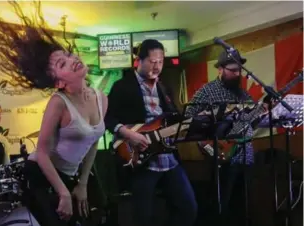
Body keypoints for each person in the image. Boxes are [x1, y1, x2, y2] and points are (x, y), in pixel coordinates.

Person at [0, 2, 108, 226]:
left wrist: (83, 183)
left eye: (69, 55)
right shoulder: (58, 103)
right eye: (63, 63)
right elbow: (41, 153)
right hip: (41, 177)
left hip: (71, 176)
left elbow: (93, 141)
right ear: (59, 82)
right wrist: (64, 193)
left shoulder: (101, 98)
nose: (73, 59)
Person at [105, 39, 197, 226]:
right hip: (140, 160)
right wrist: (129, 134)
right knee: (143, 217)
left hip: (168, 158)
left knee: (188, 209)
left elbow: (173, 119)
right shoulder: (122, 86)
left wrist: (195, 120)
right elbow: (107, 119)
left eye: (161, 62)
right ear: (139, 61)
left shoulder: (164, 88)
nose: (157, 66)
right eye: (153, 62)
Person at [185, 50, 269, 226]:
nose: (237, 74)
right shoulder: (206, 92)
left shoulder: (243, 94)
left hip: (245, 155)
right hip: (220, 153)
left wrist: (261, 113)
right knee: (222, 204)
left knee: (243, 205)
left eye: (239, 70)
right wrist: (205, 141)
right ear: (220, 69)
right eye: (232, 70)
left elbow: (249, 124)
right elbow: (188, 119)